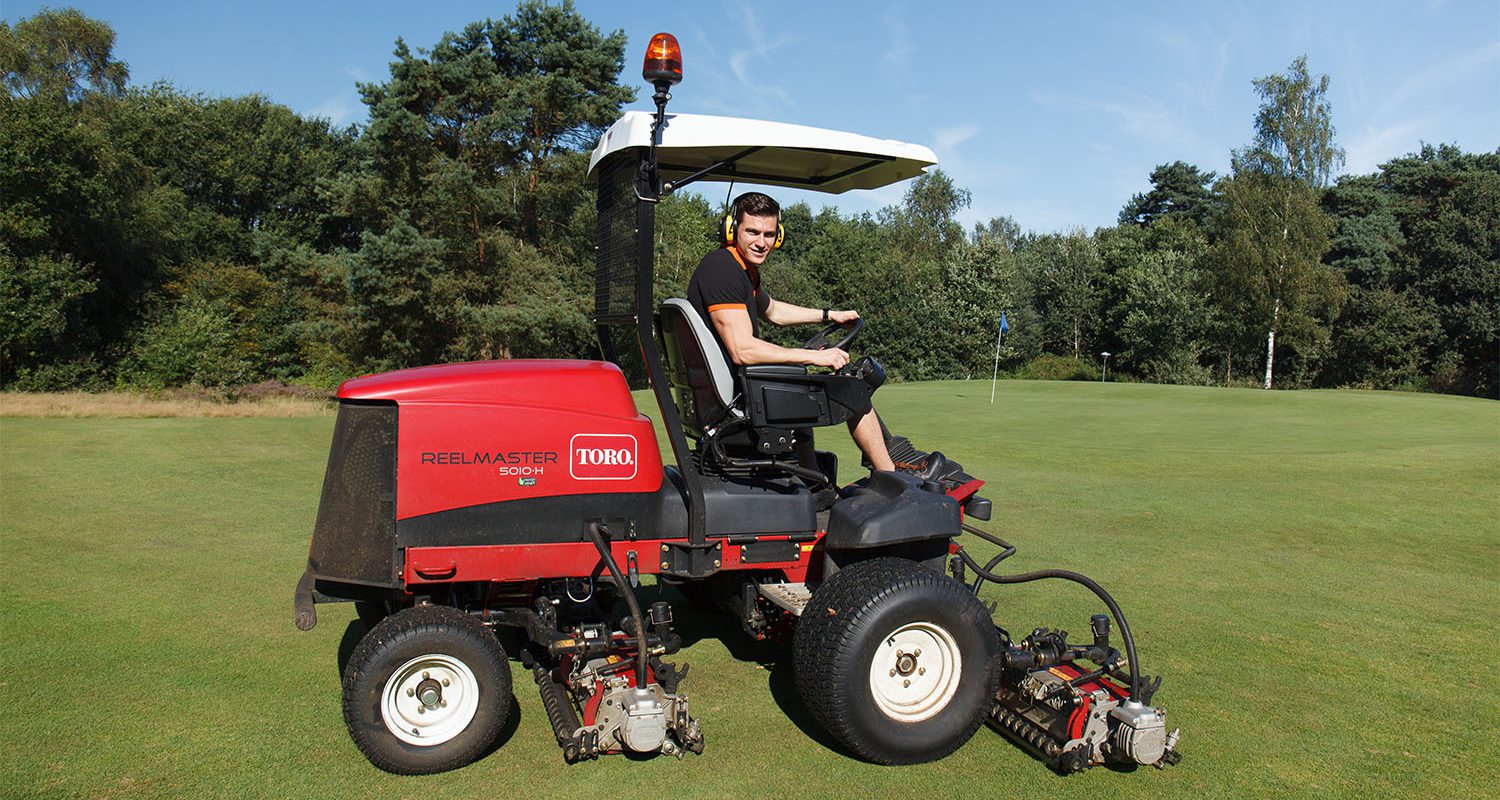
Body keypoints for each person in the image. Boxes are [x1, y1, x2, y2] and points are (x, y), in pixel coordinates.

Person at [686, 191, 901, 473]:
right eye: (752, 232)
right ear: (731, 229)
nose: (761, 243)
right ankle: (891, 479)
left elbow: (773, 310)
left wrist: (828, 315)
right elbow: (742, 349)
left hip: (733, 390)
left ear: (778, 235)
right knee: (852, 389)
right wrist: (811, 358)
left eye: (769, 234)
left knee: (815, 388)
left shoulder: (742, 270)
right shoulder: (722, 270)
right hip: (737, 399)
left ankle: (813, 483)